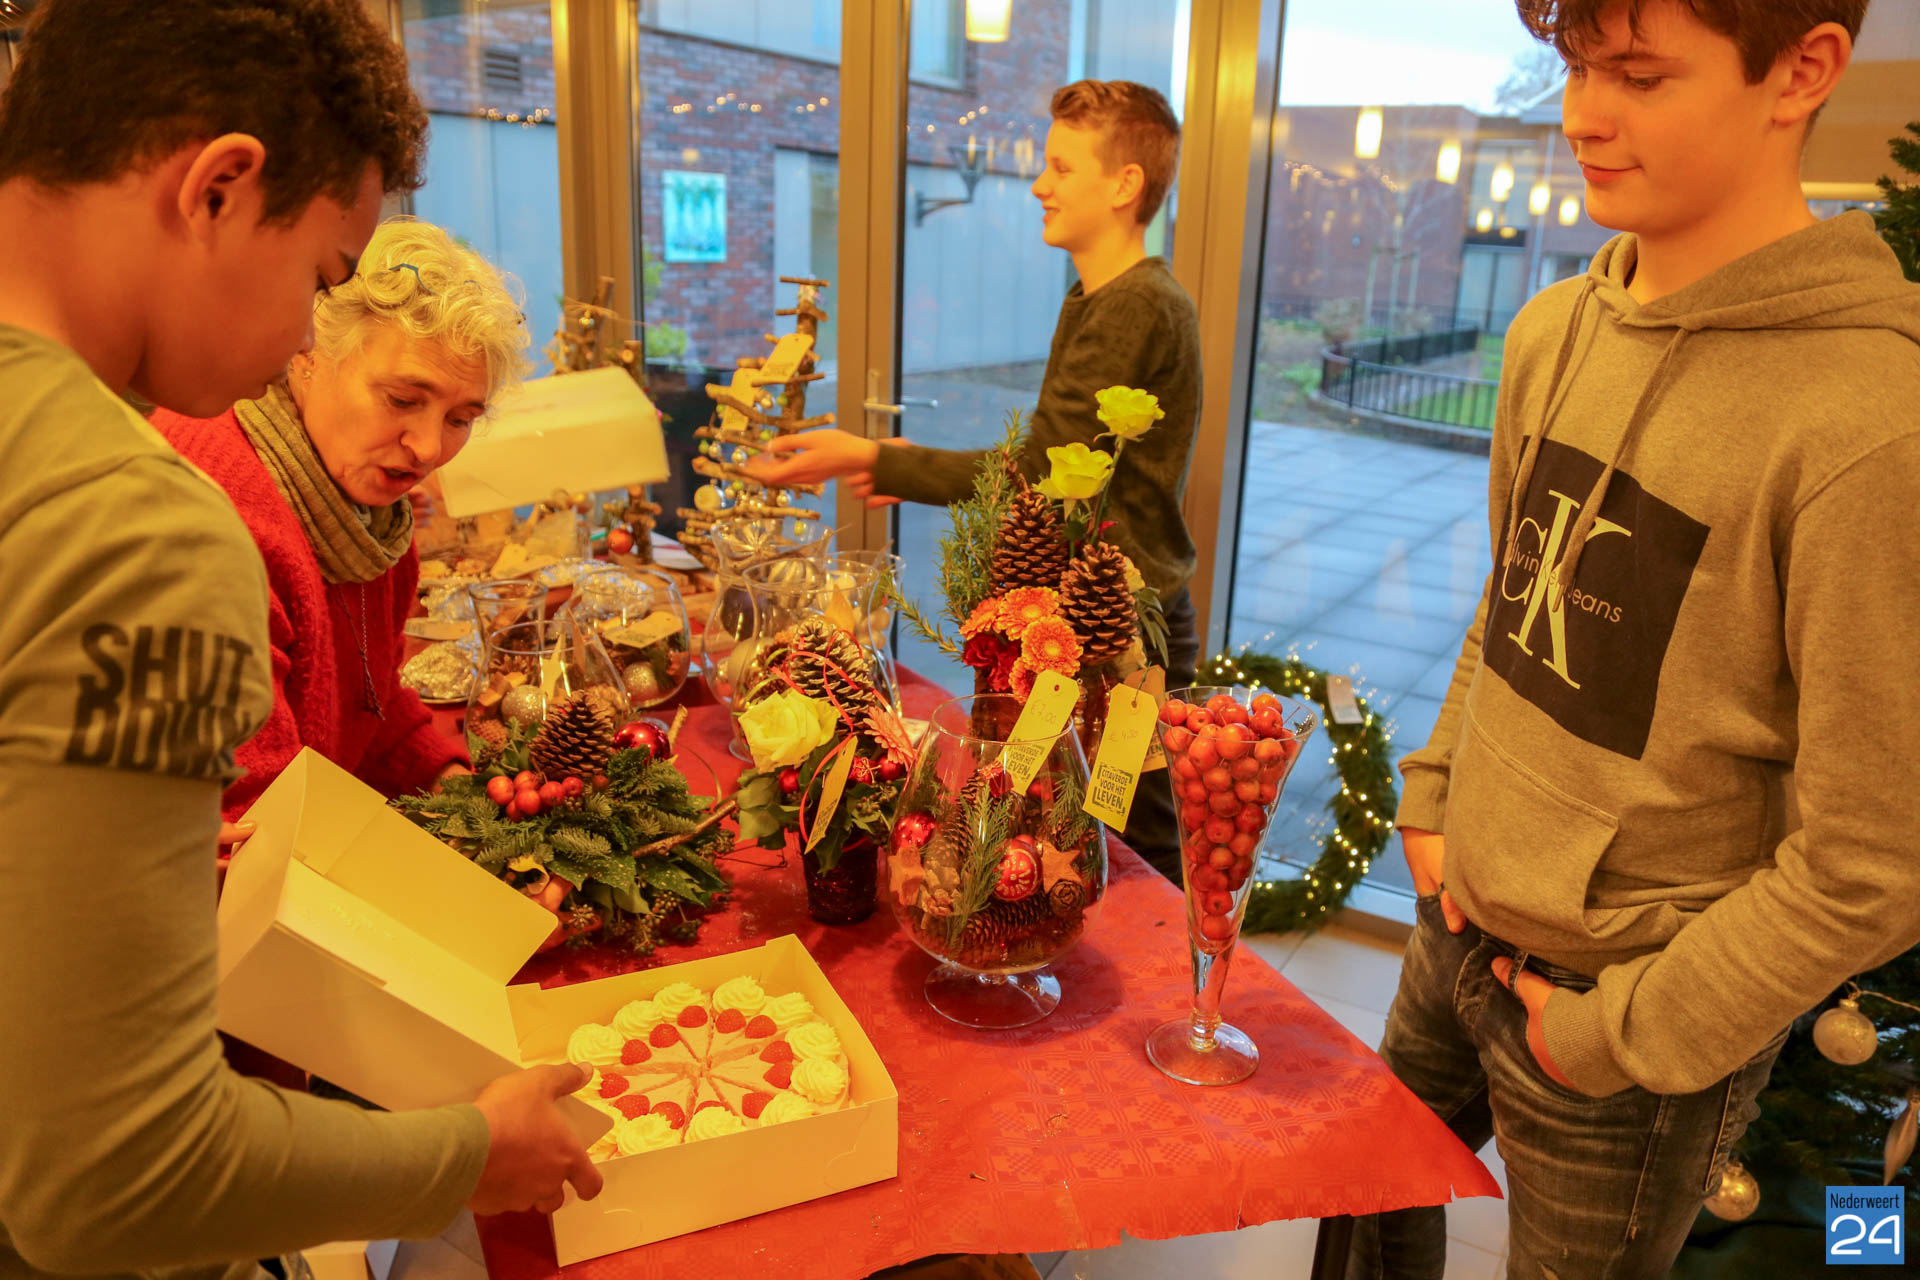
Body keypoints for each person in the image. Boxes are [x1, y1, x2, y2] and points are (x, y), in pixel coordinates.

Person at [0, 4, 599, 1276]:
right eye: (324, 278)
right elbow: (115, 1173)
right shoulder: (145, 522)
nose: (297, 335)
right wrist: (466, 1152)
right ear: (218, 188)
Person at [1349, 1, 1920, 1277]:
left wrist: (1615, 1033)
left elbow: (1876, 860)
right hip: (1458, 920)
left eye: (1642, 76)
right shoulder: (1552, 328)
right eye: (1577, 67)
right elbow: (1513, 601)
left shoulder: (1875, 425)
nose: (1583, 116)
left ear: (1804, 71)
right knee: (1364, 1213)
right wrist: (1434, 795)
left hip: (1623, 1023)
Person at [747, 79, 1201, 879]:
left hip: (1122, 639)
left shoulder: (1136, 305)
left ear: (1125, 184)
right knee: (1059, 838)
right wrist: (906, 459)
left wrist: (872, 456)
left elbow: (1041, 471)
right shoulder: (1101, 297)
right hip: (1089, 626)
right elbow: (1056, 460)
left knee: (1130, 846)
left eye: (1062, 167)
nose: (1039, 185)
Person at [154, 217, 525, 827]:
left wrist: (456, 790)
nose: (429, 448)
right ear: (307, 353)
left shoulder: (367, 513)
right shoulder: (216, 514)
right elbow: (253, 813)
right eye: (402, 400)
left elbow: (367, 704)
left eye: (460, 418)